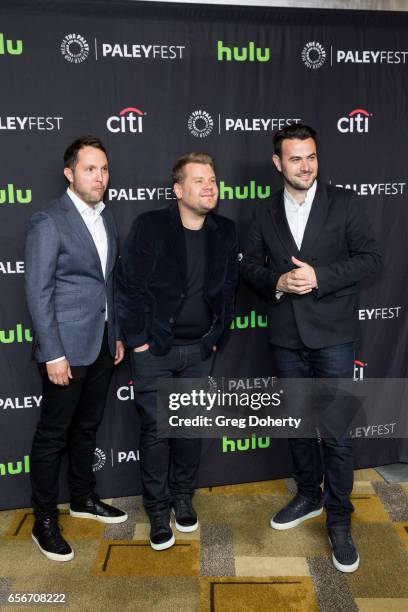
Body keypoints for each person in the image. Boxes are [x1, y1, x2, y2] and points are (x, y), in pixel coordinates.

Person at [240, 124, 381, 573]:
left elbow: (370, 258)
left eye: (312, 157)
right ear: (278, 163)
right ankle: (307, 495)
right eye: (296, 158)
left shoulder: (345, 202)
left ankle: (340, 520)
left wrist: (320, 277)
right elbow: (250, 267)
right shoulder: (263, 210)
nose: (305, 166)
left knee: (336, 434)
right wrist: (277, 282)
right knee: (299, 426)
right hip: (286, 336)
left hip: (334, 336)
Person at [116, 152, 238, 551]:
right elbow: (128, 286)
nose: (209, 187)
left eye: (213, 180)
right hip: (156, 351)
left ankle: (183, 497)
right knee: (155, 432)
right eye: (199, 180)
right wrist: (138, 340)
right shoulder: (150, 226)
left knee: (188, 428)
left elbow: (228, 289)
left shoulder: (225, 230)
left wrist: (217, 333)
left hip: (200, 349)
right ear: (178, 189)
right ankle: (156, 509)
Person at [25, 135, 127, 562]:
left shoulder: (105, 219)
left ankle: (83, 498)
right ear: (70, 173)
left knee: (86, 430)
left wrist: (116, 333)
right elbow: (38, 291)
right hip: (65, 350)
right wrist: (53, 353)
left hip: (102, 345)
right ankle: (43, 520)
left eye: (103, 169)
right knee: (53, 437)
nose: (99, 177)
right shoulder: (49, 220)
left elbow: (108, 285)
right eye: (90, 169)